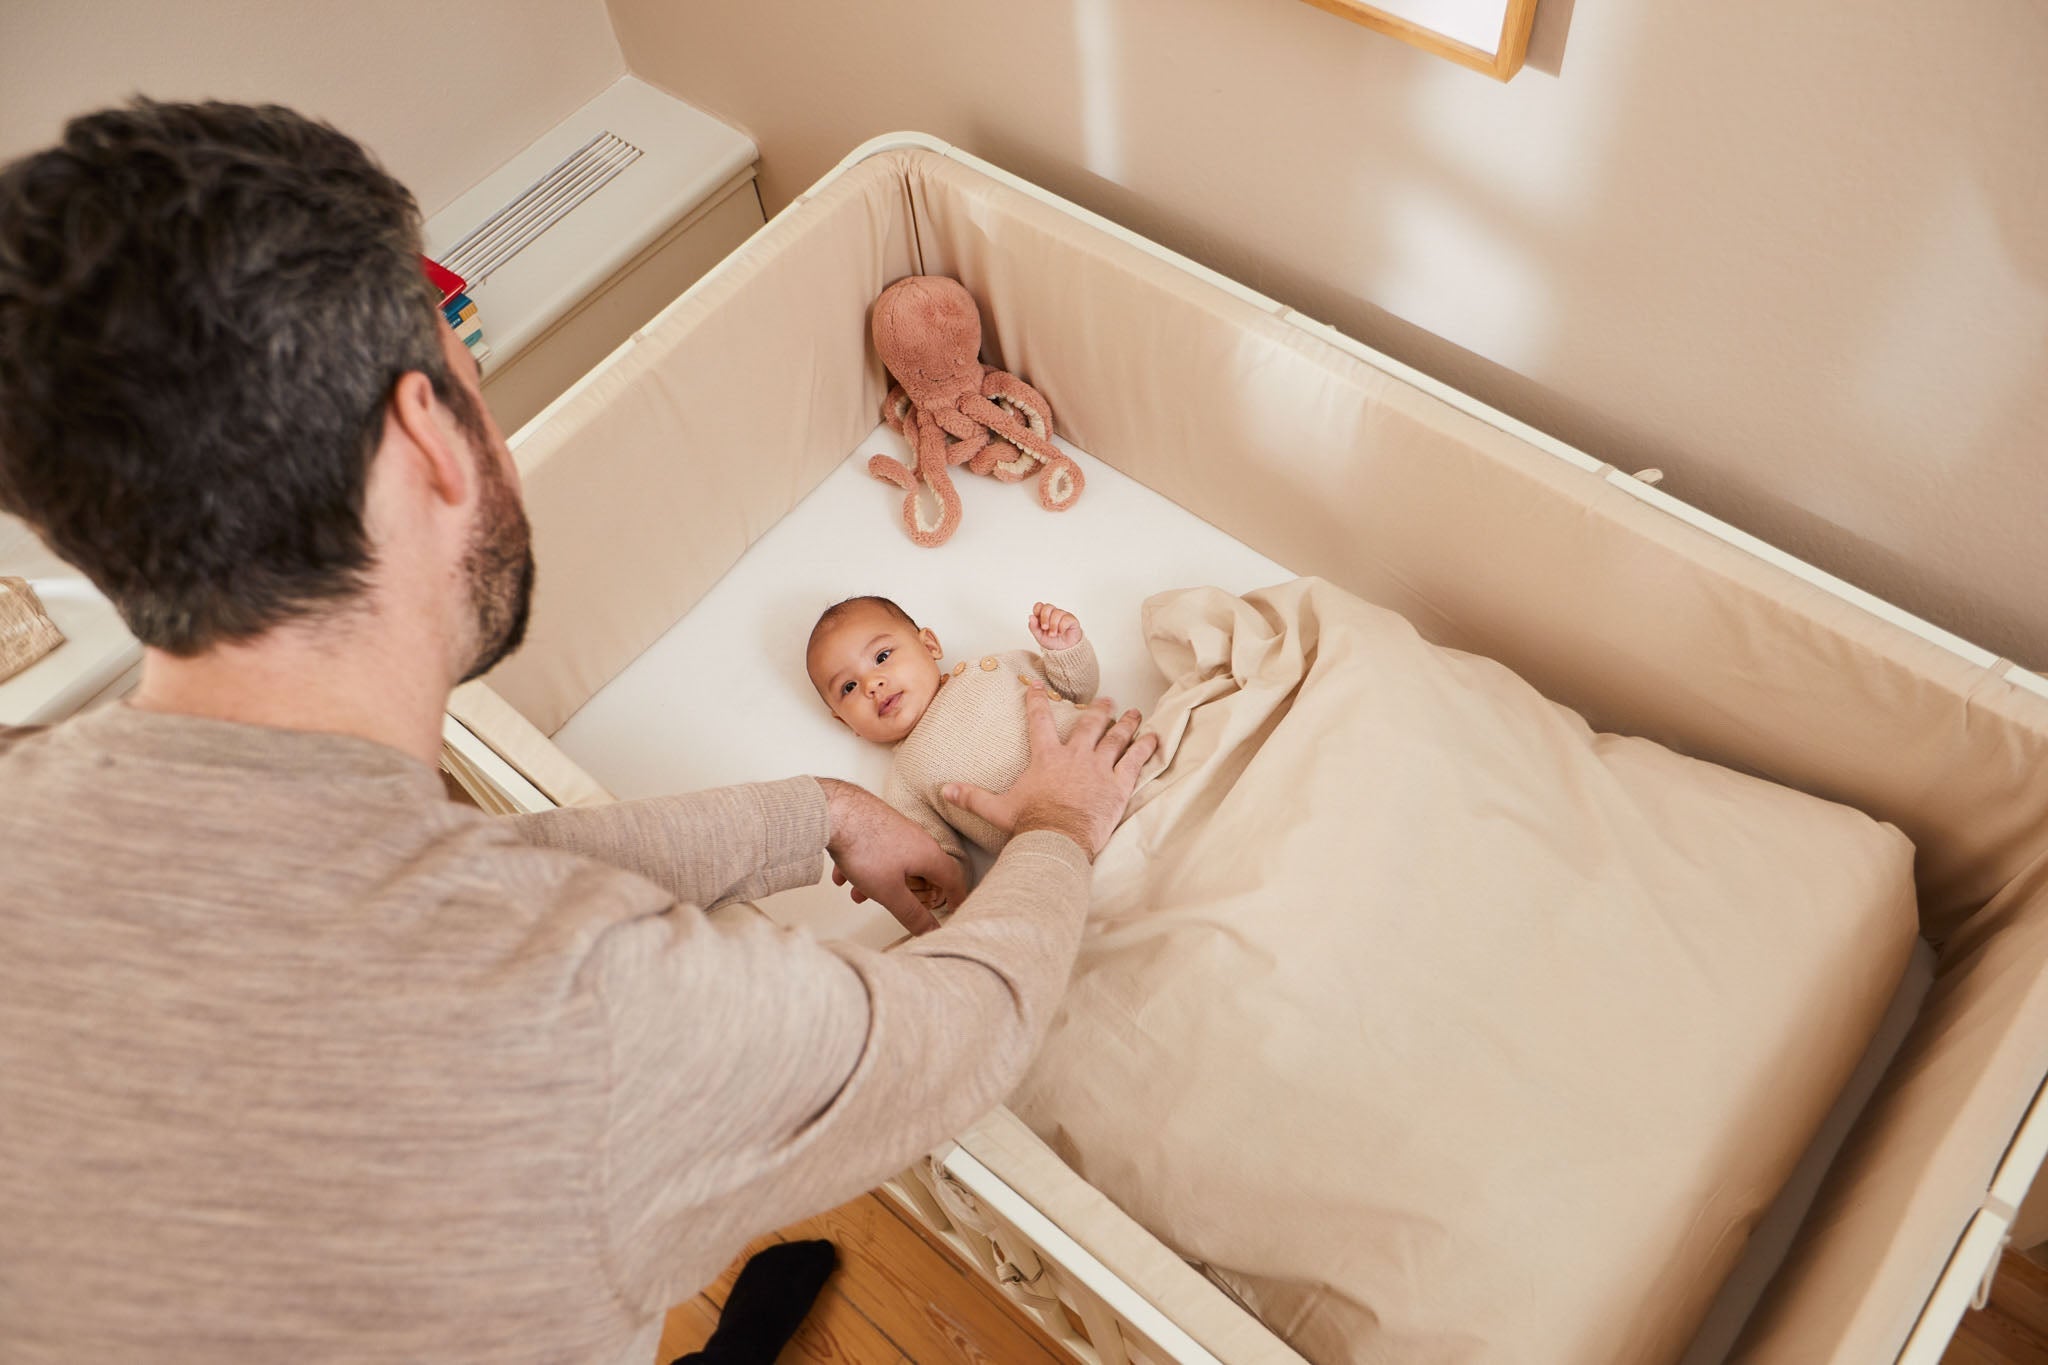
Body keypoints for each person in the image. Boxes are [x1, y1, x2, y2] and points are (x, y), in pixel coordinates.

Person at [0, 99, 1156, 1363]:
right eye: (478, 390)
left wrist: (816, 813)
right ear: (428, 436)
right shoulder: (596, 1024)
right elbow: (956, 1034)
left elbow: (417, 893)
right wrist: (1054, 824)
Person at [806, 595, 1110, 900]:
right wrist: (925, 884)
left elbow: (1077, 691)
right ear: (847, 724)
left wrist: (1065, 650)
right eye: (849, 687)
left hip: (1125, 766)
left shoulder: (998, 667)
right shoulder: (904, 784)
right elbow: (946, 866)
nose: (872, 683)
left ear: (929, 646)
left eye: (882, 657)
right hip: (1072, 853)